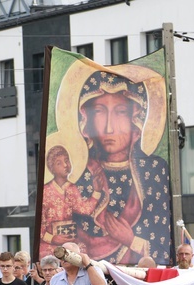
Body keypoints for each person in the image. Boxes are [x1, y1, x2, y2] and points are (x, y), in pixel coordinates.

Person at [71, 71, 172, 264]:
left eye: (120, 112)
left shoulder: (154, 171)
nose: (109, 128)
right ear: (86, 119)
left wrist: (132, 240)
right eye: (99, 111)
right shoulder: (80, 173)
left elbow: (163, 245)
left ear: (136, 119)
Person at [39, 144, 101, 258]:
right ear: (51, 168)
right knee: (48, 255)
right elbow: (40, 222)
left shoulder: (72, 188)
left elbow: (84, 209)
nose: (65, 165)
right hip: (50, 241)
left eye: (67, 160)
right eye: (59, 163)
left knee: (83, 252)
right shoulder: (46, 190)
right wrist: (52, 238)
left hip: (69, 240)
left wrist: (96, 191)